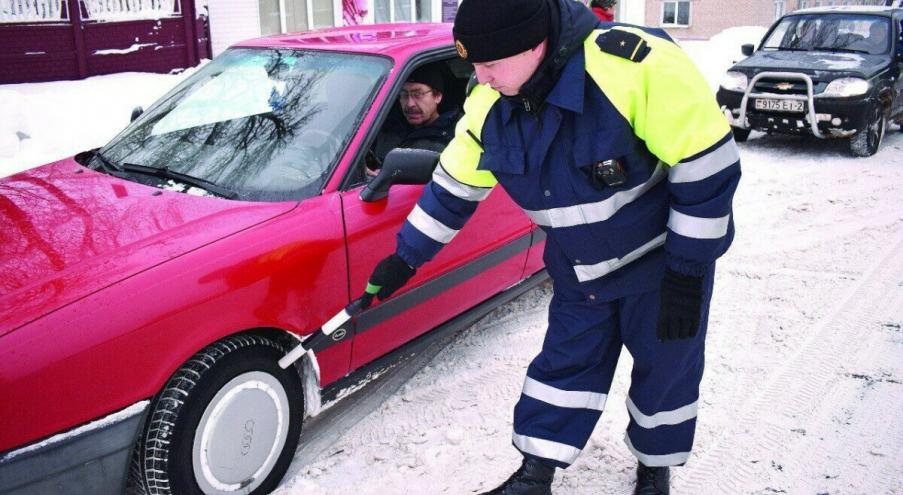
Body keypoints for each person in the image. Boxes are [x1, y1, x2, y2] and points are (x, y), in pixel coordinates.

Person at [364, 0, 741, 493]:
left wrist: (688, 273)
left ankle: (655, 465)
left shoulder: (633, 68)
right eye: (473, 65)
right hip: (579, 271)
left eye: (490, 64)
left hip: (660, 267)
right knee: (563, 366)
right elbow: (453, 188)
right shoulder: (489, 104)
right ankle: (535, 473)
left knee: (665, 375)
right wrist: (404, 257)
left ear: (535, 45)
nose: (480, 78)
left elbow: (707, 171)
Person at [367, 65, 461, 176]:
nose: (410, 103)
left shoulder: (456, 136)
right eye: (404, 94)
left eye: (418, 94)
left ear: (437, 96)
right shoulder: (383, 123)